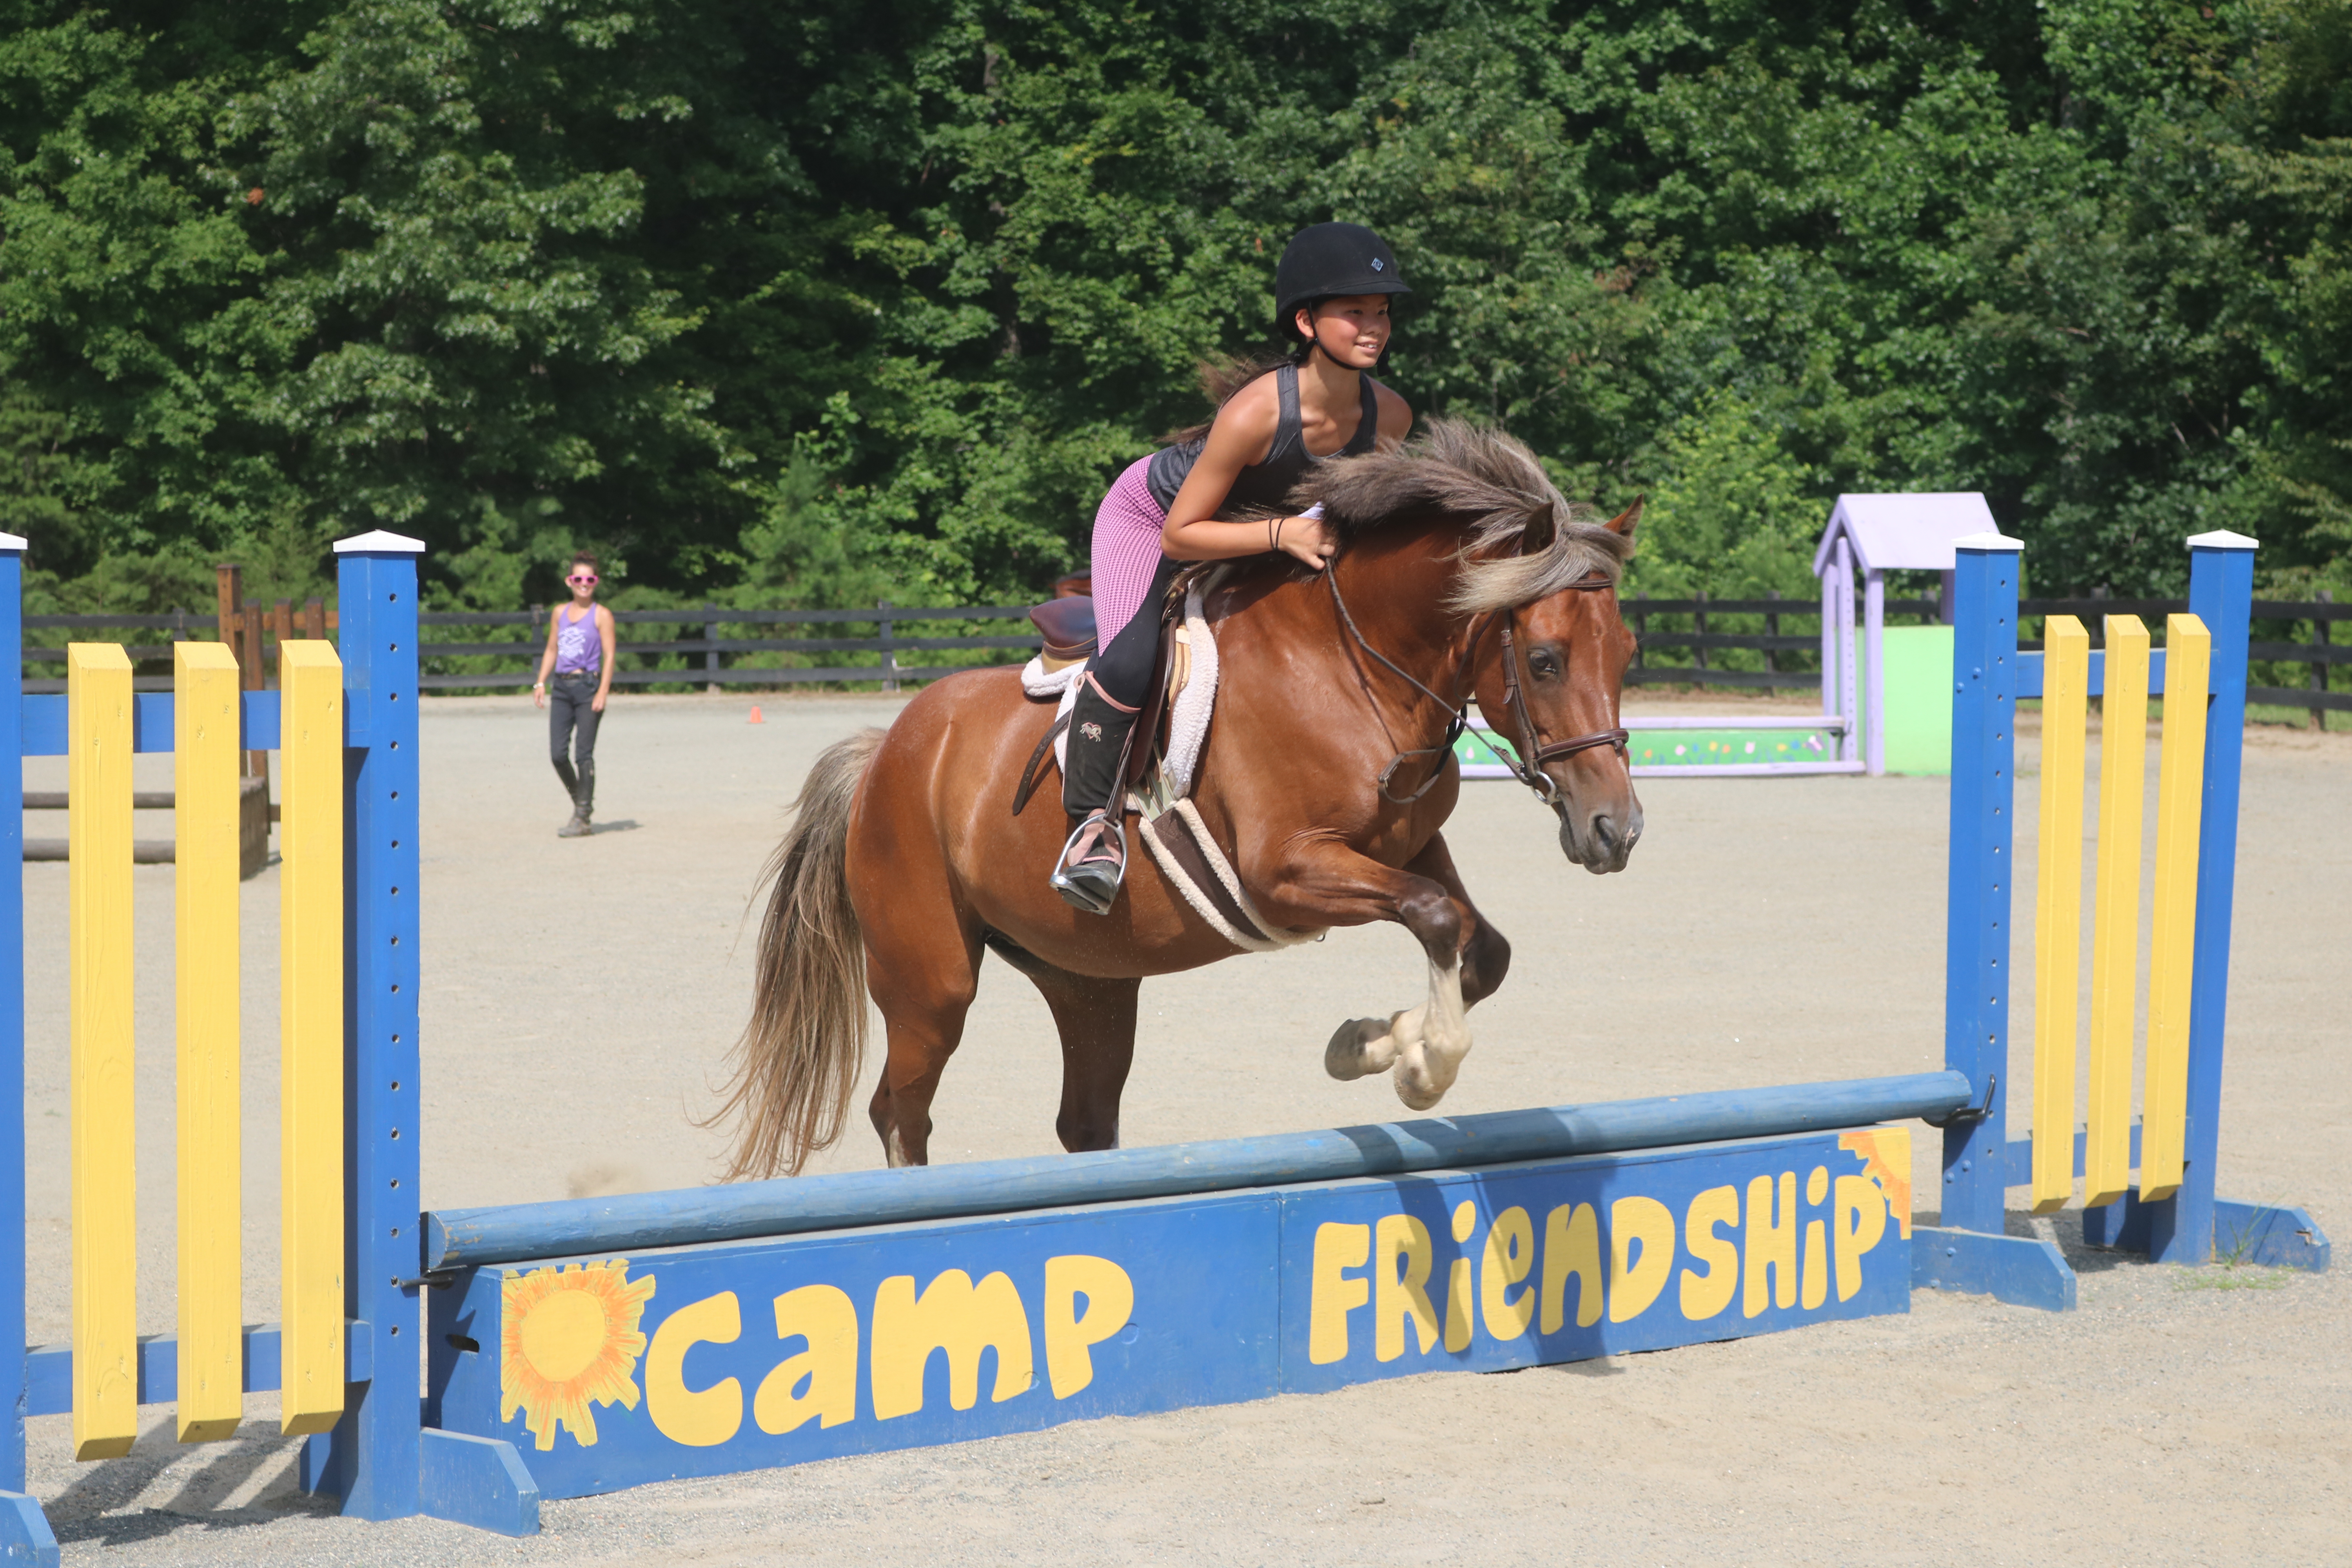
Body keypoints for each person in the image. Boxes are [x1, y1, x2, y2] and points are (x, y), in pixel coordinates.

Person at [1050, 221, 1415, 914]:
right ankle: (1092, 829)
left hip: (1269, 532)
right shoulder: (1255, 412)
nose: (1375, 327)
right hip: (1154, 522)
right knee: (1131, 659)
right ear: (1307, 322)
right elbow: (1184, 536)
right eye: (1355, 312)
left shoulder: (1389, 415)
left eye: (1383, 312)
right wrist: (1281, 534)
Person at [533, 552, 617, 837]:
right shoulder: (559, 613)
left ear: (596, 582)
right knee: (558, 754)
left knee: (583, 754)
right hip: (562, 687)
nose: (584, 584)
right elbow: (552, 649)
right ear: (570, 581)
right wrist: (540, 682)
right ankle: (580, 803)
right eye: (578, 579)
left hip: (588, 687)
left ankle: (582, 816)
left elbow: (610, 655)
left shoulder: (602, 615)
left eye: (590, 579)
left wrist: (603, 691)